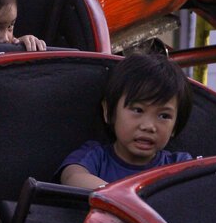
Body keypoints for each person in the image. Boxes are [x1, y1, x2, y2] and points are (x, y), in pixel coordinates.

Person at [58, 52, 194, 189]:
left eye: (164, 116)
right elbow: (72, 176)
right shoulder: (96, 157)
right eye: (138, 110)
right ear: (108, 111)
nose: (148, 126)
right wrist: (123, 198)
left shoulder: (179, 165)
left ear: (176, 125)